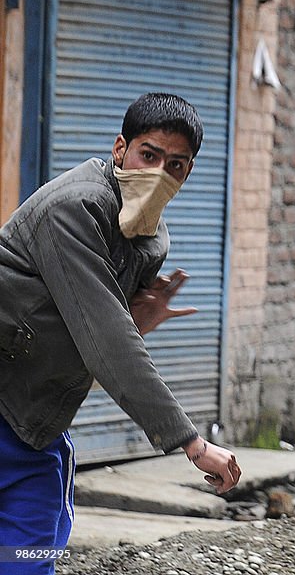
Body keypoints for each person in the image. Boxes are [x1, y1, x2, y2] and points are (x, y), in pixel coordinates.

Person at [0, 93, 241, 574]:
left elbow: (98, 328)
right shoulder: (74, 208)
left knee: (28, 558)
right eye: (148, 155)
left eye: (175, 164)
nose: (158, 174)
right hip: (10, 406)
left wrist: (133, 322)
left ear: (188, 173)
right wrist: (190, 441)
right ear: (119, 150)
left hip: (33, 425)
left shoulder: (149, 236)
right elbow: (107, 339)